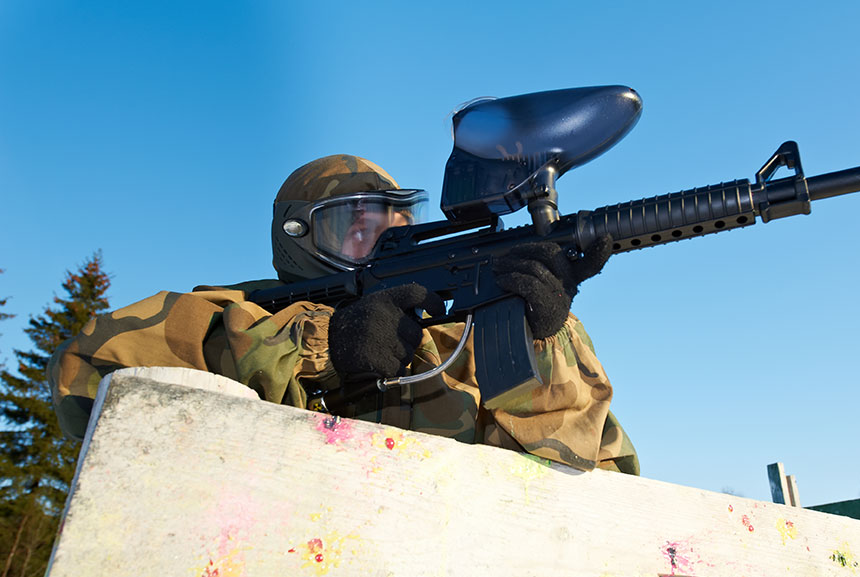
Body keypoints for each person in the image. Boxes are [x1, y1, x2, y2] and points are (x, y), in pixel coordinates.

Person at [47, 155, 639, 474]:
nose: (380, 239)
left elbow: (596, 483)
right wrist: (321, 346)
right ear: (300, 235)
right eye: (355, 226)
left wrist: (545, 341)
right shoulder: (238, 313)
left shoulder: (464, 342)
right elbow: (89, 374)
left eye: (394, 223)